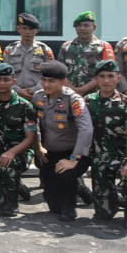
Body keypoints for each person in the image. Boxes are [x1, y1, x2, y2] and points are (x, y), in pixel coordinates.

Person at [33, 60, 93, 222]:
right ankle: (78, 186)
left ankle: (70, 206)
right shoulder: (38, 97)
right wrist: (38, 146)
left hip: (72, 153)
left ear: (63, 82)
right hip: (49, 152)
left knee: (66, 177)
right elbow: (32, 125)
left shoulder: (73, 100)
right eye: (44, 80)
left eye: (52, 81)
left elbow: (86, 129)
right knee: (53, 206)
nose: (46, 84)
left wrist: (74, 159)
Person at [0, 62, 38, 217]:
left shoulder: (26, 107)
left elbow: (31, 138)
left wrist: (12, 152)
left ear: (14, 82)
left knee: (7, 166)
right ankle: (11, 191)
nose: (2, 83)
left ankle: (12, 204)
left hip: (19, 152)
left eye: (6, 79)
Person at [85, 60, 127, 228]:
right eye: (102, 76)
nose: (106, 80)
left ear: (118, 78)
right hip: (98, 158)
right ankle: (111, 201)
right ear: (96, 79)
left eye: (111, 76)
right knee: (104, 215)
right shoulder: (88, 101)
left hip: (121, 156)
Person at [58, 11, 116, 96]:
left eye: (86, 25)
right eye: (79, 25)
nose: (82, 28)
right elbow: (60, 71)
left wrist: (83, 89)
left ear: (94, 27)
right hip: (69, 94)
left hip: (95, 95)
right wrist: (73, 90)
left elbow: (108, 73)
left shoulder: (104, 47)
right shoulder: (66, 47)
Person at [4, 12, 54, 101]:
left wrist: (34, 90)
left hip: (39, 95)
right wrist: (18, 90)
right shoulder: (10, 50)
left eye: (31, 29)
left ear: (37, 30)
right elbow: (5, 74)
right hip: (14, 95)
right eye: (24, 28)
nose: (27, 32)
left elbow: (50, 74)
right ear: (18, 29)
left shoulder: (45, 50)